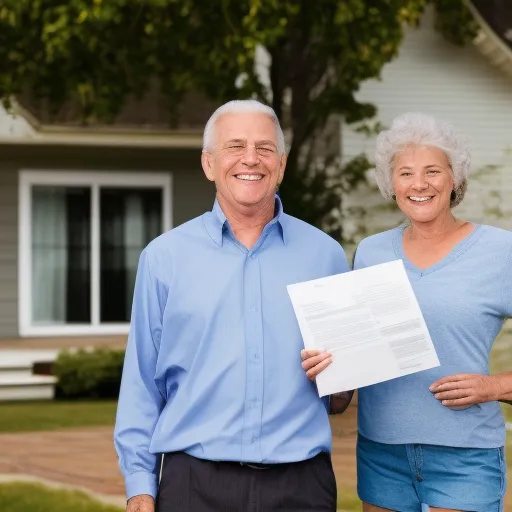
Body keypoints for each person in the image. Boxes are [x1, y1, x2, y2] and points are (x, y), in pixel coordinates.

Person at [114, 99, 353, 512]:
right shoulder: (164, 258)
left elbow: (340, 394)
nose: (250, 159)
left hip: (302, 486)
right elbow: (141, 384)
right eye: (235, 146)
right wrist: (139, 486)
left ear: (281, 164)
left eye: (264, 149)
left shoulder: (326, 255)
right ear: (209, 164)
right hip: (194, 486)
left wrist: (341, 380)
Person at [302, 112, 512, 512]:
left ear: (455, 179)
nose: (419, 184)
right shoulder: (370, 252)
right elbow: (355, 359)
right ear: (390, 183)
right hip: (382, 454)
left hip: (464, 456)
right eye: (405, 173)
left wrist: (493, 387)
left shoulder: (500, 252)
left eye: (433, 170)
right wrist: (332, 369)